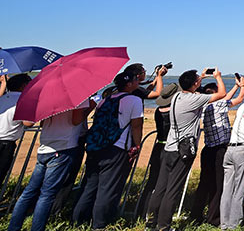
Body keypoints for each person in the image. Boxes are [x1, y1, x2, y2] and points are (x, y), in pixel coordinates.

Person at [147, 68, 227, 231]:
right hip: (182, 150)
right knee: (173, 189)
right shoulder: (193, 100)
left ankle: (150, 221)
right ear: (195, 84)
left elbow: (193, 89)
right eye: (198, 81)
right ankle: (164, 226)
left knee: (160, 187)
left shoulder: (177, 96)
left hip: (169, 147)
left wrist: (200, 78)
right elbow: (221, 94)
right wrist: (218, 77)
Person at [8, 98, 92, 231]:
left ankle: (13, 227)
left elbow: (41, 123)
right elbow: (75, 121)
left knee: (29, 192)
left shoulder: (48, 97)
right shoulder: (78, 98)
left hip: (45, 146)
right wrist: (88, 108)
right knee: (47, 195)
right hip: (63, 147)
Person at [73, 71, 144, 228]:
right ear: (129, 84)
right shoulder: (134, 100)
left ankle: (78, 220)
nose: (138, 81)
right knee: (108, 188)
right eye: (135, 79)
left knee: (89, 186)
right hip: (116, 148)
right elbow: (136, 125)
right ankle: (99, 224)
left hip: (95, 147)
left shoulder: (104, 100)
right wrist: (137, 145)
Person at [191, 76, 244, 226]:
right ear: (216, 93)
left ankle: (195, 215)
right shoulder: (220, 105)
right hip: (219, 151)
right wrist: (242, 87)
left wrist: (234, 86)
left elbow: (225, 97)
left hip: (207, 149)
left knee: (204, 184)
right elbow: (239, 99)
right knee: (218, 186)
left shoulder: (204, 105)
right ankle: (214, 217)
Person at [138, 83, 179, 217]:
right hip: (169, 147)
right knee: (165, 183)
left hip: (158, 146)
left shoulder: (158, 111)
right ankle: (157, 213)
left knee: (152, 180)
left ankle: (142, 210)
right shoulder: (173, 112)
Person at [220, 88, 244, 230]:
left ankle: (224, 223)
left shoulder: (242, 106)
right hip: (243, 149)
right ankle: (234, 223)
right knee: (240, 188)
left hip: (230, 148)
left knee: (227, 188)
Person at [0, 73, 32, 187]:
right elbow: (27, 123)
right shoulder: (22, 101)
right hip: (6, 144)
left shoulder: (2, 98)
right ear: (23, 86)